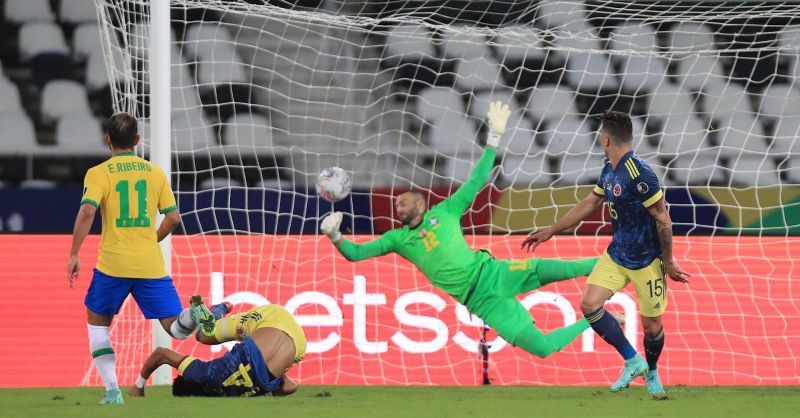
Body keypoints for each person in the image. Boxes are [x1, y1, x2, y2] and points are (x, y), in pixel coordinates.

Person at [320, 101, 601, 359]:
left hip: (493, 273)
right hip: (480, 301)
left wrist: (494, 138)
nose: (398, 207)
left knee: (572, 269)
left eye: (403, 201)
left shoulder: (445, 211)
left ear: (421, 202)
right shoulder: (397, 239)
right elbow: (356, 254)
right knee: (543, 348)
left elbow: (477, 179)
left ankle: (625, 266)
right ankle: (596, 319)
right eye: (396, 205)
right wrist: (336, 236)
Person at [521, 110, 691, 398]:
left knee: (652, 326)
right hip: (616, 255)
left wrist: (669, 260)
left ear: (607, 138)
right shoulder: (609, 168)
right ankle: (632, 360)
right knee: (589, 304)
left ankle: (651, 371)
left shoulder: (640, 175)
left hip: (647, 261)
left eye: (601, 134)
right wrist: (551, 230)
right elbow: (591, 201)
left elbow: (663, 218)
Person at [66, 112, 217, 405]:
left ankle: (112, 391)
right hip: (150, 264)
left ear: (107, 138)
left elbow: (87, 212)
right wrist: (152, 239)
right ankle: (193, 314)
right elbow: (173, 217)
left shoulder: (98, 173)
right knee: (175, 328)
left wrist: (73, 253)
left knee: (98, 326)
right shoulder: (155, 172)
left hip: (113, 265)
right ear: (137, 140)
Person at [129, 301, 306, 398]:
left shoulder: (203, 375)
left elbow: (290, 387)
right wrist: (139, 385)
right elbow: (161, 355)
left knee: (203, 335)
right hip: (273, 333)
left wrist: (138, 386)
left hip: (295, 344)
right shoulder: (207, 375)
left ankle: (216, 311)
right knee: (203, 337)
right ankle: (216, 312)